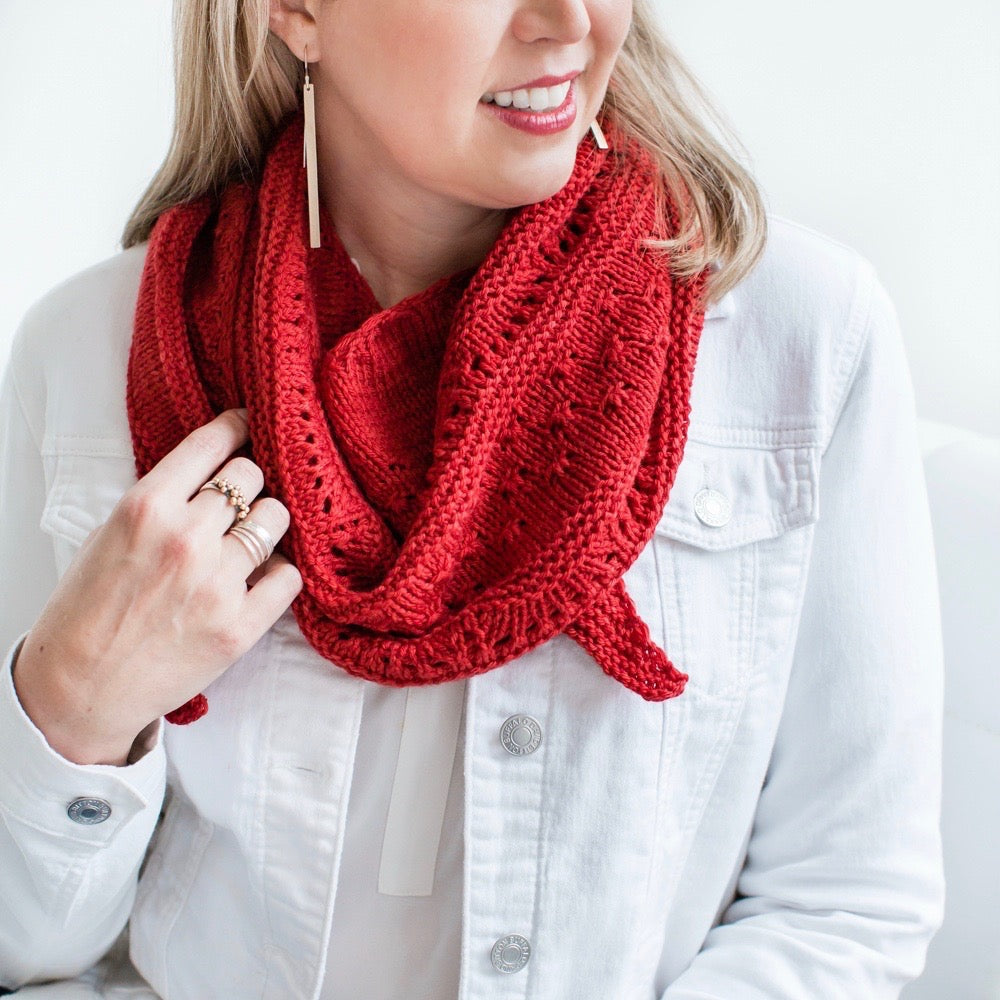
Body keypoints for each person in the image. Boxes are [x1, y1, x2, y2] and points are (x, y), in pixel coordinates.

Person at [0, 0, 945, 996]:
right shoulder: (92, 349)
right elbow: (27, 954)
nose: (569, 20)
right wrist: (75, 709)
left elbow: (845, 903)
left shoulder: (801, 334)